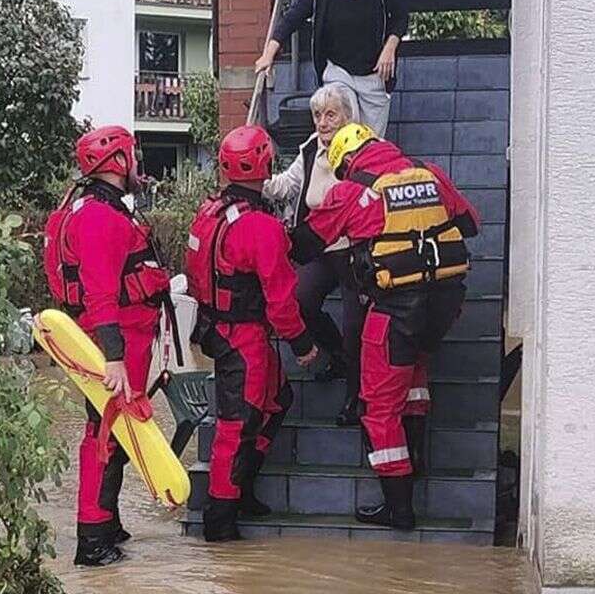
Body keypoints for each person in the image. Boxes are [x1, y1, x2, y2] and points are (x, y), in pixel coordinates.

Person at [291, 123, 479, 530]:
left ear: (346, 161)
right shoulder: (428, 172)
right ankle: (418, 460)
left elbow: (304, 246)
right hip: (444, 306)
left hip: (396, 310)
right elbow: (470, 224)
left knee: (378, 408)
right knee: (413, 377)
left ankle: (399, 509)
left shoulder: (350, 190)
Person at [43, 125, 171, 566]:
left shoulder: (96, 209)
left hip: (116, 337)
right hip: (114, 341)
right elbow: (100, 294)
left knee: (110, 430)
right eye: (132, 157)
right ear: (116, 163)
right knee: (104, 434)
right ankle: (93, 540)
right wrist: (113, 358)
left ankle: (107, 522)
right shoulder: (99, 217)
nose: (138, 165)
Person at [185, 125, 319, 542]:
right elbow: (281, 300)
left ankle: (240, 489)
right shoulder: (259, 226)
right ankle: (220, 520)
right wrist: (302, 344)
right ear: (264, 164)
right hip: (242, 336)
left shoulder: (208, 213)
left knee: (277, 400)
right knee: (236, 423)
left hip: (217, 328)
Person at [264, 82, 366, 426]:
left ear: (348, 118)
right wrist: (252, 178)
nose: (322, 123)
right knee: (300, 301)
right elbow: (287, 185)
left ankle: (356, 397)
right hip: (322, 247)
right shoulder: (310, 148)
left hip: (355, 248)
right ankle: (334, 354)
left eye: (330, 115)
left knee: (356, 326)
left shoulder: (363, 149)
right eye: (317, 115)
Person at [255, 0, 409, 138]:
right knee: (341, 133)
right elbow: (293, 17)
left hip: (374, 76)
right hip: (338, 72)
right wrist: (269, 54)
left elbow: (400, 18)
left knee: (371, 143)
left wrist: (390, 47)